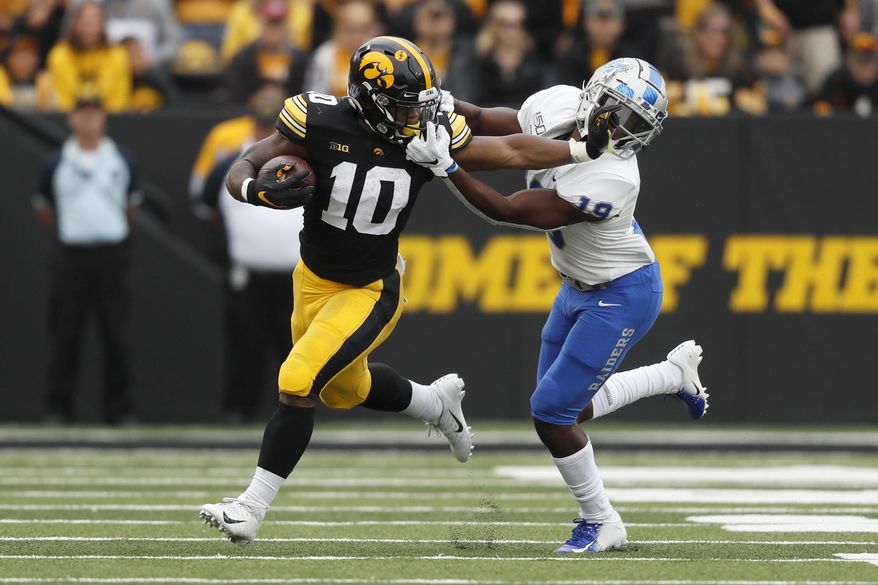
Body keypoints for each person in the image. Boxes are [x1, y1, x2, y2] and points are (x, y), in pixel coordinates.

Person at [199, 35, 621, 547]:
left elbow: (508, 149)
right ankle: (434, 403)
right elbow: (246, 163)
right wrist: (253, 189)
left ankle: (250, 508)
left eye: (420, 103)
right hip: (310, 281)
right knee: (342, 390)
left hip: (371, 288)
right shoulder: (319, 119)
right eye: (403, 103)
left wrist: (581, 148)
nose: (414, 114)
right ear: (369, 99)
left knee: (297, 378)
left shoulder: (425, 137)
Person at [405, 57, 708, 553]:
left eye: (637, 126)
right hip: (579, 285)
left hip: (622, 293)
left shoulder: (615, 175)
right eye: (620, 113)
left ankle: (603, 520)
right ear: (594, 96)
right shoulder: (561, 104)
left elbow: (507, 209)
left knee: (551, 415)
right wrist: (446, 105)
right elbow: (489, 126)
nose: (624, 132)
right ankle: (673, 376)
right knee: (571, 408)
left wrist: (446, 165)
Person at [33, 94, 142, 424]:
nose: (89, 121)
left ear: (104, 119)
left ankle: (119, 409)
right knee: (65, 333)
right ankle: (58, 408)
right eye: (84, 114)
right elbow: (44, 208)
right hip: (72, 258)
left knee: (116, 334)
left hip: (111, 257)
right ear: (72, 119)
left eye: (95, 114)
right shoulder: (56, 161)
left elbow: (131, 205)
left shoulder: (121, 158)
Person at [196, 97, 304, 424]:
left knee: (294, 346)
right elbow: (206, 207)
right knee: (245, 343)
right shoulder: (229, 164)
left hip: (294, 274)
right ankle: (238, 408)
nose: (265, 133)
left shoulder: (305, 165)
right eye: (261, 125)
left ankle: (294, 409)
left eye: (273, 127)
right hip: (247, 274)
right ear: (251, 124)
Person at [45, 0, 132, 112]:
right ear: (74, 23)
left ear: (103, 24)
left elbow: (119, 101)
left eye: (94, 22)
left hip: (111, 122)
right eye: (84, 21)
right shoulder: (59, 55)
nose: (89, 27)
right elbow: (62, 100)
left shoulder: (117, 55)